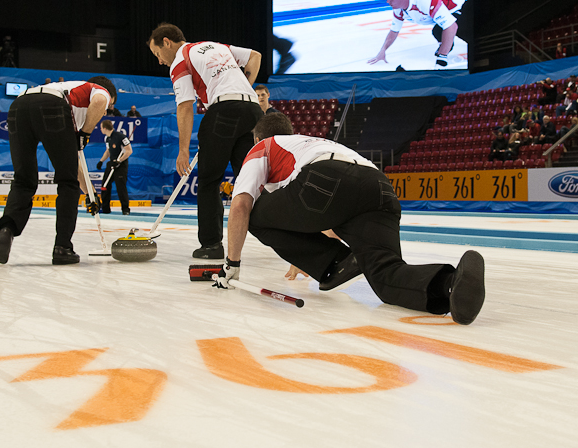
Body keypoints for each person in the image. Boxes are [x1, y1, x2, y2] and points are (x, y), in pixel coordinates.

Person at [215, 112, 485, 325]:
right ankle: (452, 285)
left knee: (255, 212)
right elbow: (332, 208)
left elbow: (240, 207)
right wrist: (301, 253)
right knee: (385, 276)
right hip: (378, 187)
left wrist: (232, 265)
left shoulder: (264, 146)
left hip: (326, 180)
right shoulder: (311, 143)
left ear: (257, 138)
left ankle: (336, 263)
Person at [148, 22, 262, 259]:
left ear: (167, 42)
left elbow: (185, 107)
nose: (159, 61)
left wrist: (182, 150)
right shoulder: (214, 45)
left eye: (158, 54)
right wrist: (241, 88)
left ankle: (211, 245)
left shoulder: (180, 59)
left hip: (223, 112)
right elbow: (254, 56)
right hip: (252, 110)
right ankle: (281, 232)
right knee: (253, 179)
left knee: (210, 181)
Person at [0, 76, 117, 265]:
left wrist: (90, 193)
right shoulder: (97, 90)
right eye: (110, 106)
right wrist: (86, 133)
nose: (106, 111)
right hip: (51, 106)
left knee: (23, 179)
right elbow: (99, 101)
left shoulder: (71, 99)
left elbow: (74, 161)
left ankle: (6, 229)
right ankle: (62, 247)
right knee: (67, 182)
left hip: (18, 106)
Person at [368, 0, 469, 69]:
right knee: (438, 31)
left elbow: (451, 26)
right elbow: (394, 31)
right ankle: (447, 45)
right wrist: (383, 50)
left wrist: (441, 59)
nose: (387, 1)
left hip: (463, 9)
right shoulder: (398, 9)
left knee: (444, 31)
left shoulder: (425, 0)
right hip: (450, 14)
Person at [96, 120, 132, 215]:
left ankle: (125, 209)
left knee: (121, 187)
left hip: (121, 165)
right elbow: (108, 151)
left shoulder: (120, 137)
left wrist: (119, 160)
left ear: (104, 128)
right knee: (105, 185)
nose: (100, 129)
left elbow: (129, 151)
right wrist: (101, 161)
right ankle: (105, 208)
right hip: (111, 164)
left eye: (101, 127)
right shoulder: (107, 138)